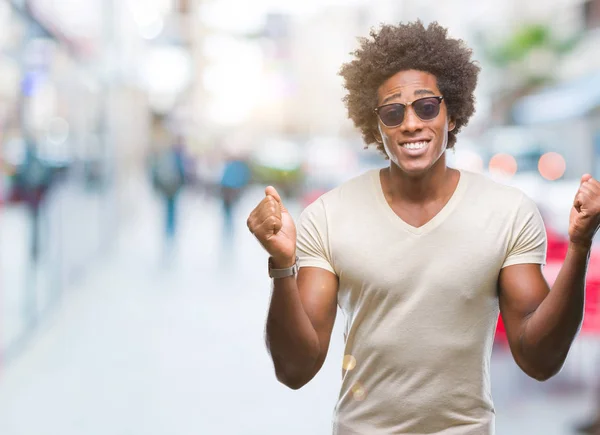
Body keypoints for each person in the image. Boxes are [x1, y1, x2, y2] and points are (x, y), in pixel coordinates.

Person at [246, 21, 600, 434]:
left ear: (451, 114)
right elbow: (294, 369)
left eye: (427, 107)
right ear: (375, 126)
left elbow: (539, 360)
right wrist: (282, 265)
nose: (411, 123)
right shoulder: (329, 215)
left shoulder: (508, 212)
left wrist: (579, 245)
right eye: (393, 112)